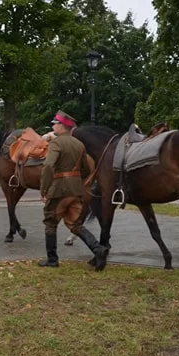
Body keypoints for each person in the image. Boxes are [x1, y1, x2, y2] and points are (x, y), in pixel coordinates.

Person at [38, 110, 108, 270]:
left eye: (55, 123)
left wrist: (44, 188)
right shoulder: (79, 144)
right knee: (75, 224)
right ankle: (99, 249)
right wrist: (75, 180)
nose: (53, 126)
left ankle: (52, 260)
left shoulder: (56, 143)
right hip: (75, 190)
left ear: (63, 126)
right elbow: (85, 169)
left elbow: (48, 166)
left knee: (50, 221)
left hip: (58, 189)